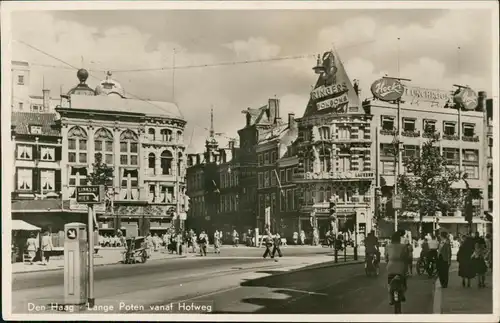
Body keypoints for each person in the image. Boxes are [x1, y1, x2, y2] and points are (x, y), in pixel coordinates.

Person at [385, 231, 409, 304]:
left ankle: (390, 298)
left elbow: (386, 258)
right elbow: (406, 257)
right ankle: (403, 294)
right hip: (401, 267)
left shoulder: (387, 246)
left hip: (390, 267)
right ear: (399, 239)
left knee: (389, 283)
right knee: (404, 282)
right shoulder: (403, 246)